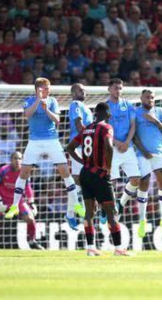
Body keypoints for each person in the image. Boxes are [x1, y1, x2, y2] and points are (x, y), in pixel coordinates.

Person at [5, 78, 85, 223]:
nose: (48, 91)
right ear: (38, 89)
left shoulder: (53, 101)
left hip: (51, 140)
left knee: (65, 172)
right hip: (34, 141)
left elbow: (57, 120)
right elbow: (27, 115)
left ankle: (77, 205)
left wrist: (45, 108)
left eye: (48, 88)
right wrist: (38, 100)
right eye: (45, 88)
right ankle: (14, 206)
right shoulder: (29, 100)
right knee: (23, 173)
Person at [66, 102, 128, 257]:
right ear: (107, 113)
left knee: (89, 212)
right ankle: (119, 248)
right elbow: (108, 146)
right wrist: (108, 169)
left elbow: (70, 147)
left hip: (85, 173)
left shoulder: (86, 129)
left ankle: (91, 248)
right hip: (100, 174)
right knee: (111, 211)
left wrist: (82, 162)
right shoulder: (106, 128)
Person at [132, 89, 162, 238]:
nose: (150, 99)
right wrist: (144, 151)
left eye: (152, 97)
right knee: (144, 184)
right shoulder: (136, 112)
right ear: (141, 98)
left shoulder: (160, 111)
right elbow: (134, 136)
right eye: (147, 97)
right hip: (143, 154)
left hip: (160, 152)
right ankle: (142, 221)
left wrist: (154, 120)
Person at [106, 79, 141, 217]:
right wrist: (117, 143)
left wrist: (126, 142)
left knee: (136, 180)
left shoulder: (128, 105)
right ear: (109, 89)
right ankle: (110, 209)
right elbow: (103, 129)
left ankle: (121, 203)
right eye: (115, 88)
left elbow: (133, 125)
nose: (118, 91)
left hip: (127, 147)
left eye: (120, 88)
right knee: (111, 182)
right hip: (110, 148)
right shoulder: (104, 106)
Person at [66, 83, 94, 229]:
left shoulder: (87, 108)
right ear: (73, 93)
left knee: (79, 181)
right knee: (78, 180)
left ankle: (70, 213)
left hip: (86, 146)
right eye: (79, 90)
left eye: (84, 90)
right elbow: (78, 124)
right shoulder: (75, 104)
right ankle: (73, 211)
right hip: (78, 145)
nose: (82, 92)